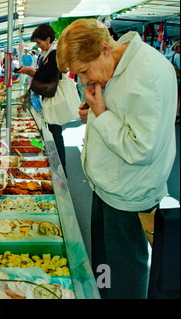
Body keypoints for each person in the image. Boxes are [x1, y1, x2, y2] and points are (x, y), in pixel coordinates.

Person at [56, 18, 177, 299]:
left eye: (84, 72)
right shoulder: (116, 65)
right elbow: (119, 117)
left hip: (129, 197)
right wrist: (95, 117)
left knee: (124, 280)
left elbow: (141, 149)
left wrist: (102, 115)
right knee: (104, 269)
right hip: (107, 189)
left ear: (104, 49)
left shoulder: (147, 73)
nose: (84, 80)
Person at [17, 24, 67, 175]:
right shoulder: (47, 54)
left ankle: (60, 169)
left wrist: (32, 72)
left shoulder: (54, 54)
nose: (38, 46)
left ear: (48, 39)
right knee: (53, 133)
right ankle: (57, 166)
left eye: (39, 42)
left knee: (55, 134)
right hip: (49, 98)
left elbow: (49, 77)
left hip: (54, 99)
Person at [169, 40, 180, 123]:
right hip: (178, 80)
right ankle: (176, 115)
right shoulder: (177, 56)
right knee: (178, 98)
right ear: (178, 47)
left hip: (170, 79)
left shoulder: (167, 55)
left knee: (172, 97)